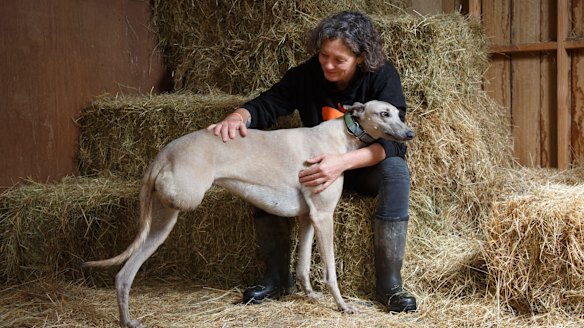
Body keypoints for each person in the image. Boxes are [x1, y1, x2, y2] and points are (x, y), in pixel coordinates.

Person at [207, 11, 417, 313]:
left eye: (339, 60)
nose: (328, 65)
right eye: (323, 55)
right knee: (260, 167)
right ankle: (278, 278)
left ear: (360, 58)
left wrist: (341, 163)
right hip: (313, 171)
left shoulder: (382, 77)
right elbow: (269, 104)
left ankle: (390, 287)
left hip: (360, 168)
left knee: (396, 171)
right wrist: (238, 116)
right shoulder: (306, 75)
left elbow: (394, 143)